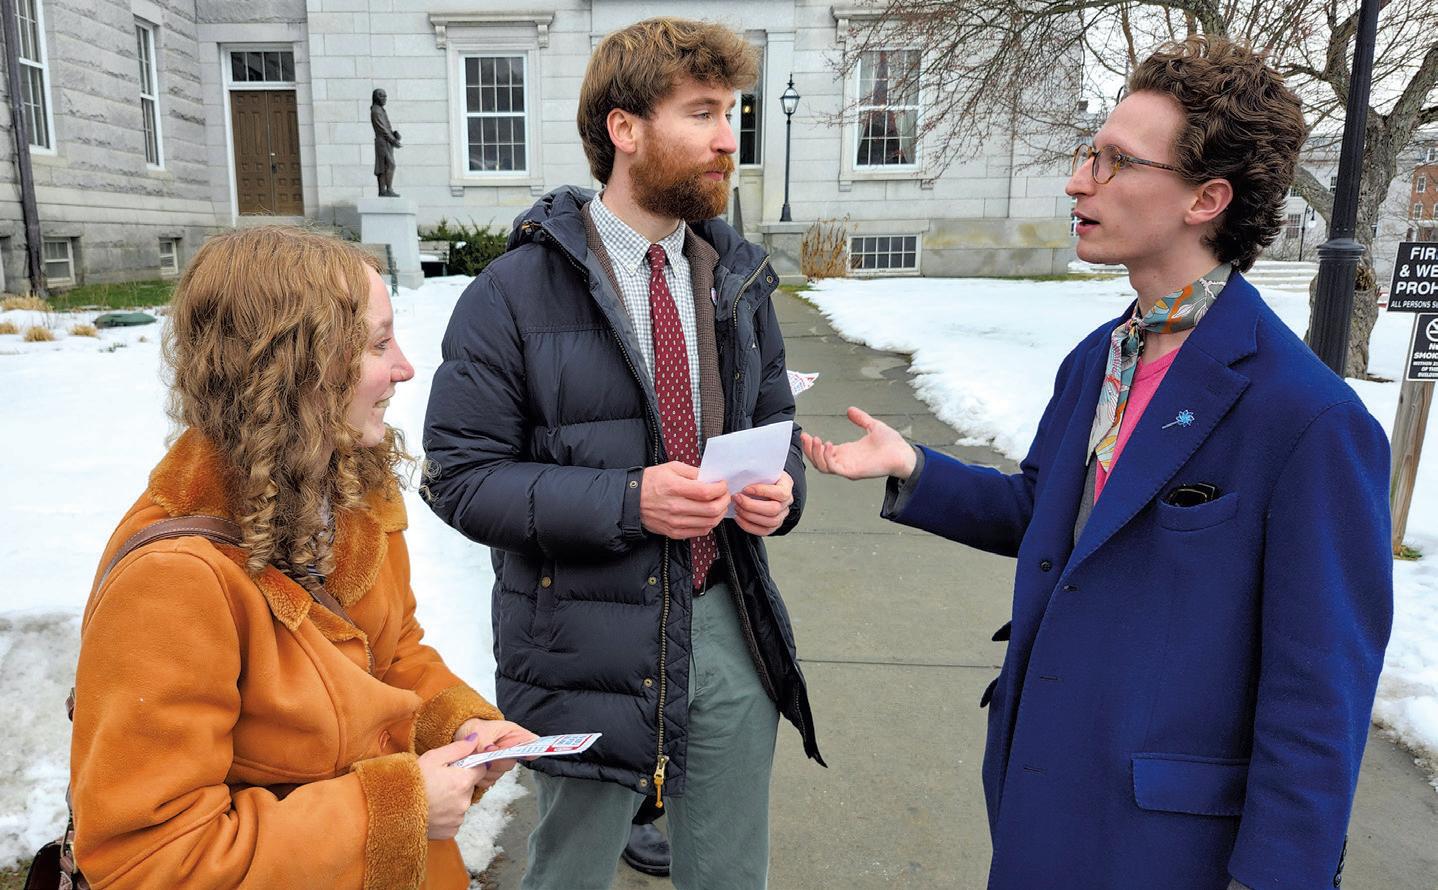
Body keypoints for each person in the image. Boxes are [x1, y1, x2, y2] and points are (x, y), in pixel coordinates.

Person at [802, 37, 1391, 890]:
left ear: (1207, 199)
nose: (1079, 182)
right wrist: (916, 469)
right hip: (1041, 796)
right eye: (1090, 154)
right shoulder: (1100, 358)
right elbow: (1051, 518)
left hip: (1167, 847)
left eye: (1116, 162)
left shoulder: (1308, 418)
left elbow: (1320, 695)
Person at [422, 17, 822, 890]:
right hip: (582, 642)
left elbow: (774, 418)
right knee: (569, 871)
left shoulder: (738, 278)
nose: (728, 139)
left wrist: (780, 489)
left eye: (731, 114)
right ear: (625, 129)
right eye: (702, 113)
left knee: (731, 872)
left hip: (727, 618)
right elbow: (459, 478)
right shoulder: (511, 293)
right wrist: (628, 500)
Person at [69, 226, 537, 889]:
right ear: (294, 366)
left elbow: (391, 653)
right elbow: (151, 860)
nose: (405, 367)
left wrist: (460, 727)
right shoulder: (173, 581)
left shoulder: (349, 492)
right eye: (377, 344)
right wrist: (396, 811)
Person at [372, 88, 402, 196]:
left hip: (386, 141)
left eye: (385, 96)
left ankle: (384, 191)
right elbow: (382, 129)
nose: (384, 98)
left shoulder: (380, 110)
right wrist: (393, 140)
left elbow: (386, 128)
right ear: (376, 97)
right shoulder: (376, 111)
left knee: (385, 166)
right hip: (382, 142)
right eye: (381, 96)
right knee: (389, 165)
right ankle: (387, 190)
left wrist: (394, 134)